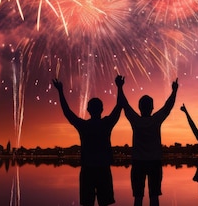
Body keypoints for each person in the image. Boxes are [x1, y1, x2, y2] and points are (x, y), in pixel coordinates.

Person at [53, 75, 124, 206]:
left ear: (88, 110)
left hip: (87, 170)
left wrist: (60, 91)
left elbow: (67, 112)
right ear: (102, 110)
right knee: (105, 202)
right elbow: (120, 106)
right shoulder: (106, 124)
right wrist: (119, 87)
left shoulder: (84, 126)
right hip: (103, 169)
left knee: (87, 203)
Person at [119, 77, 179, 206]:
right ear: (152, 107)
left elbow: (124, 104)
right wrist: (174, 91)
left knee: (138, 197)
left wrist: (119, 87)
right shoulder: (156, 120)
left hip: (138, 162)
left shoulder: (135, 120)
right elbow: (168, 107)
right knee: (154, 196)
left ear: (139, 107)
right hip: (154, 162)